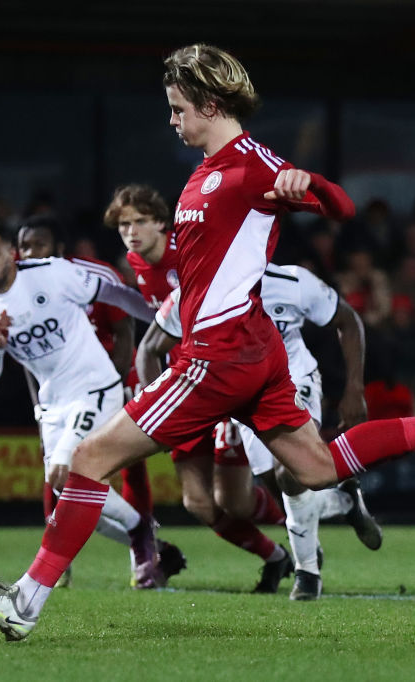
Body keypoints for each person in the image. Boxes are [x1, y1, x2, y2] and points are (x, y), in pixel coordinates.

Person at [0, 43, 415, 641]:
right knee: (318, 466)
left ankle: (25, 603)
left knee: (88, 460)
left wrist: (311, 183)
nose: (171, 119)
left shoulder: (252, 166)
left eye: (177, 108)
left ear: (210, 104)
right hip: (250, 346)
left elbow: (342, 206)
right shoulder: (208, 169)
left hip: (218, 354)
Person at [140, 263, 382, 601]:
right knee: (276, 492)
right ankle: (343, 501)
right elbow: (149, 348)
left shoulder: (291, 280)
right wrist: (161, 413)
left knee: (290, 474)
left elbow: (348, 321)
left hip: (293, 380)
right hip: (240, 399)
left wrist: (354, 387)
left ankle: (307, 574)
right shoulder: (201, 288)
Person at [102, 183, 290, 592]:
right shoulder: (137, 264)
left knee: (236, 498)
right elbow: (155, 331)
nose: (131, 232)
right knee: (198, 502)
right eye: (123, 225)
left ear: (162, 223)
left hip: (221, 378)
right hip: (182, 385)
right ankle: (276, 556)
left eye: (139, 222)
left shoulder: (185, 253)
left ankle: (303, 519)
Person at [0, 220, 169, 588]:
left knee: (65, 473)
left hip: (95, 386)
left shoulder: (52, 274)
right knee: (67, 494)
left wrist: (168, 320)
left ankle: (137, 534)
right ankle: (147, 537)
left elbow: (115, 295)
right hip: (54, 403)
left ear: (10, 253)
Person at [16, 213, 186, 588]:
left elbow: (125, 327)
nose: (29, 253)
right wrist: (39, 408)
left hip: (108, 382)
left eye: (38, 245)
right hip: (58, 396)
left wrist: (114, 382)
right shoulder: (18, 287)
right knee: (60, 474)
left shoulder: (94, 275)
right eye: (24, 246)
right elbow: (30, 356)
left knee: (121, 465)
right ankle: (139, 542)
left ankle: (138, 558)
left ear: (59, 249)